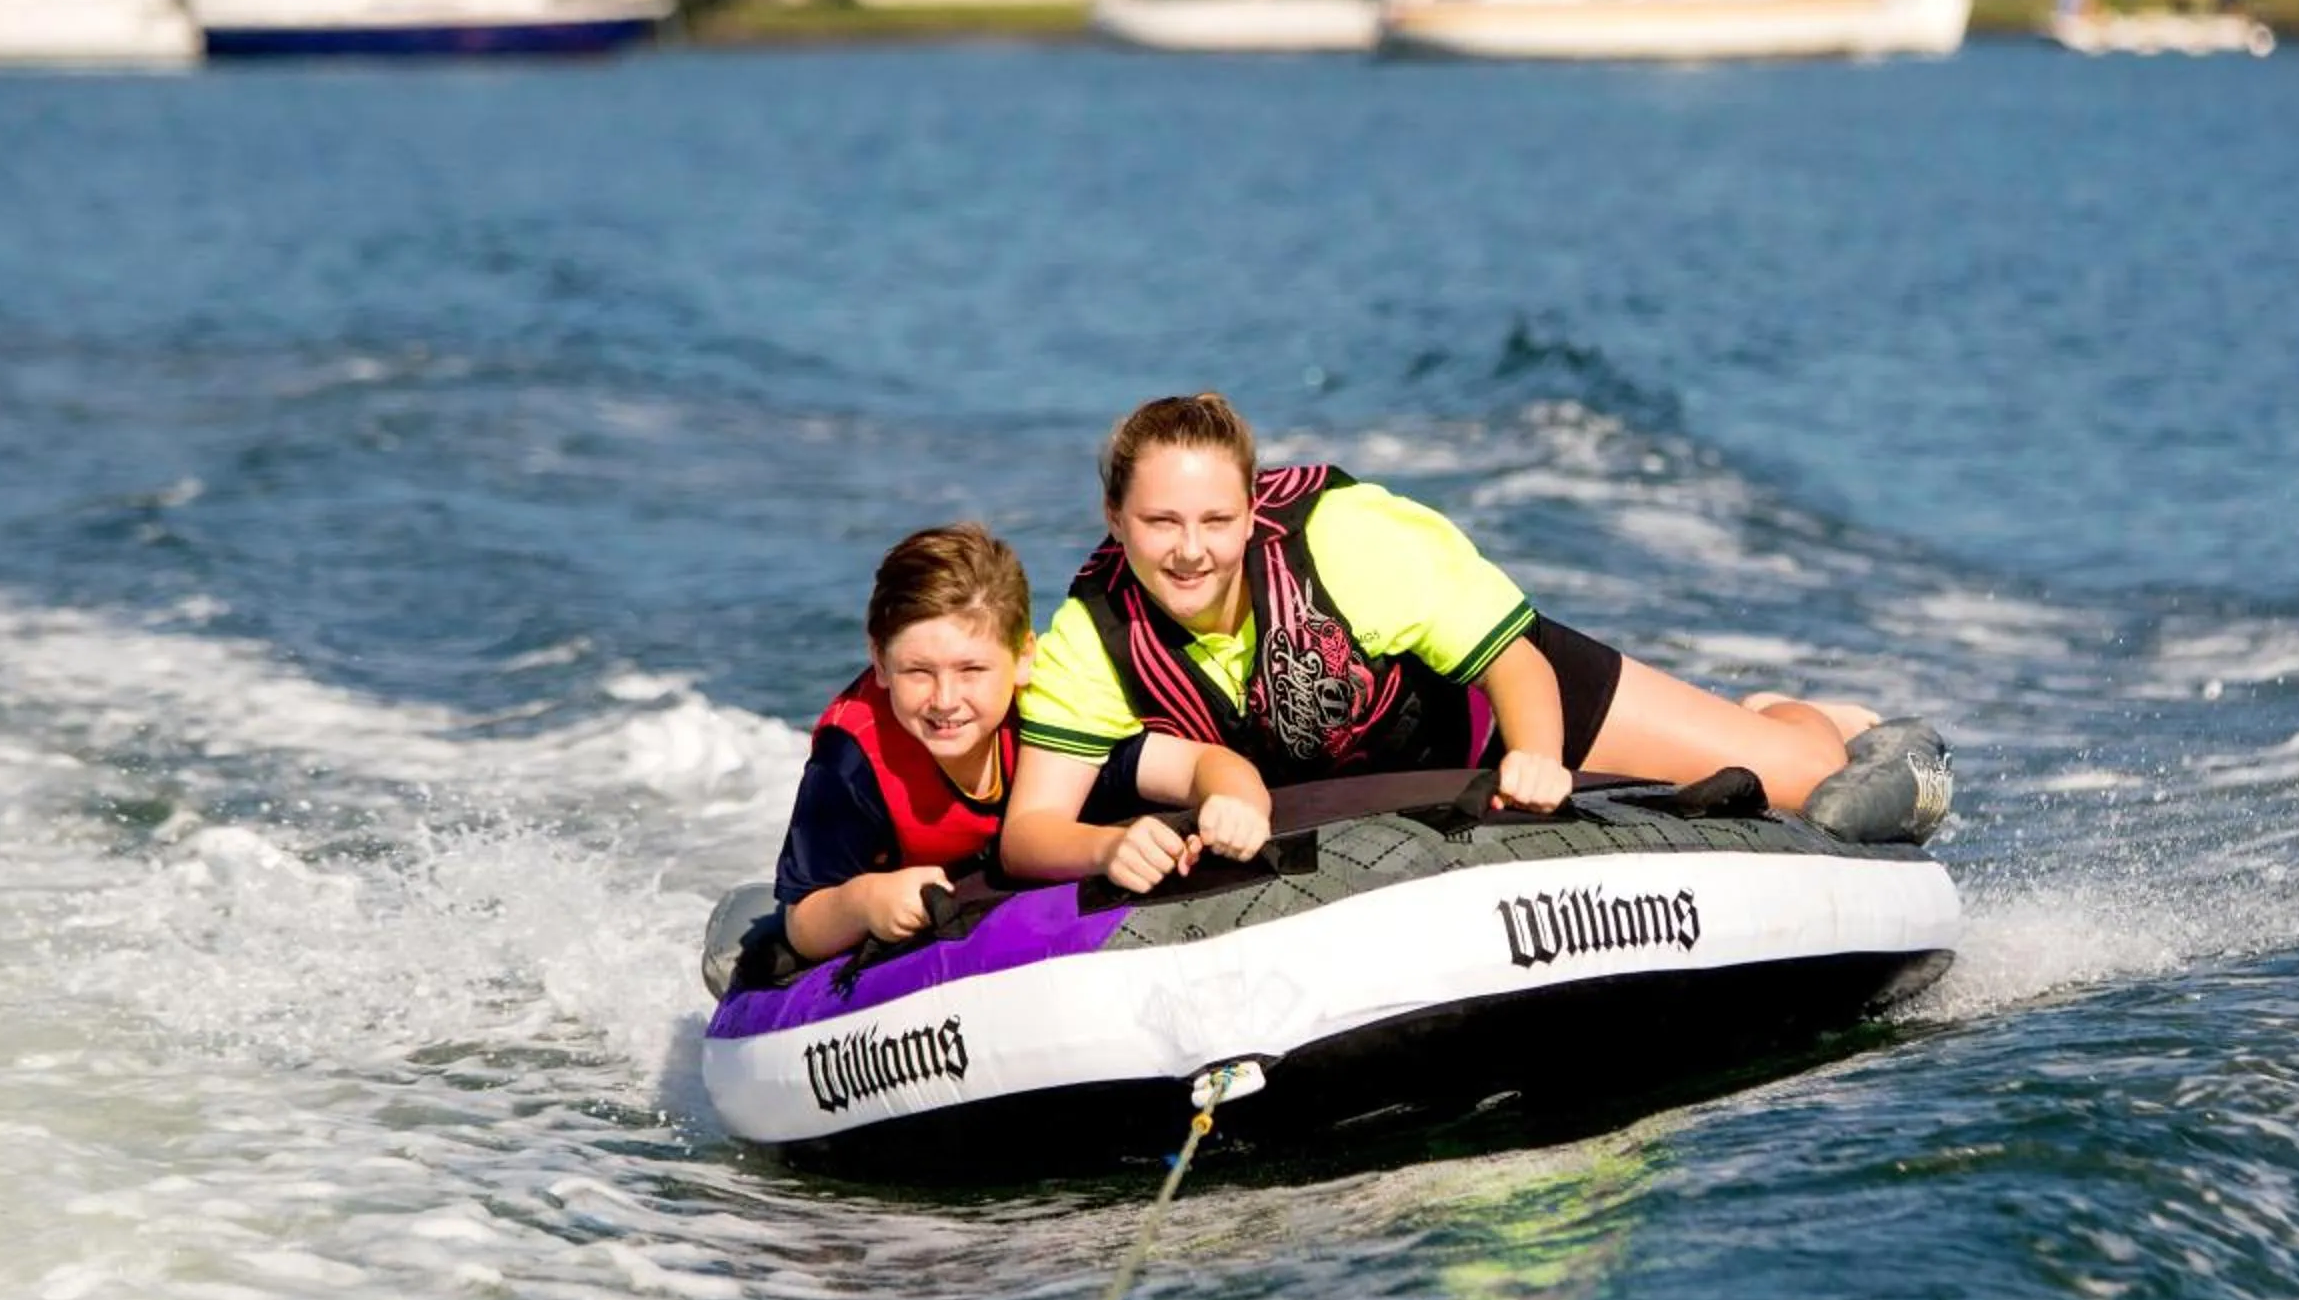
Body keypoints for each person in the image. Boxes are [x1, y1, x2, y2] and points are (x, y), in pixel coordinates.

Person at [999, 393, 1894, 884]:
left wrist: (1539, 754)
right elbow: (1029, 831)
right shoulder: (1092, 637)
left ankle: (1799, 717)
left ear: (1251, 511)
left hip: (1504, 714)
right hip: (1356, 794)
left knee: (1816, 791)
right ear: (1114, 519)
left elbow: (1512, 661)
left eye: (1213, 519)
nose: (1190, 550)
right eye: (1160, 521)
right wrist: (1105, 847)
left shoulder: (1347, 539)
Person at [770, 519, 1275, 965]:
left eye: (972, 669)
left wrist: (1234, 803)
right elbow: (803, 921)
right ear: (879, 662)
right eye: (918, 672)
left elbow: (1197, 766)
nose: (945, 700)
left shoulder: (1053, 709)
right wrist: (865, 900)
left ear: (1023, 657)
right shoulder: (854, 758)